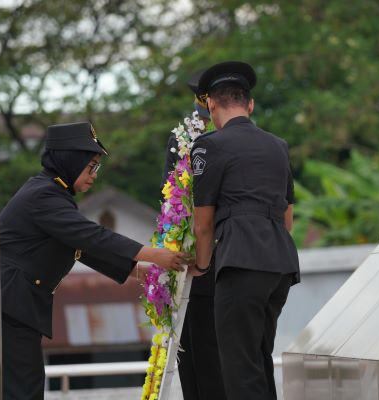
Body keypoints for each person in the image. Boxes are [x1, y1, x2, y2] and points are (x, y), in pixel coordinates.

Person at [0, 121, 187, 400]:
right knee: (23, 386)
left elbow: (82, 247)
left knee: (20, 384)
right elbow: (93, 237)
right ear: (70, 160)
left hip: (10, 297)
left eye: (96, 167)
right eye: (90, 165)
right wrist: (156, 255)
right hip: (8, 297)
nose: (94, 175)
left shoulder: (53, 193)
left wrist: (140, 271)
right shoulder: (44, 195)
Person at [189, 61, 300, 400]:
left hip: (241, 263)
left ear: (210, 104)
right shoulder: (278, 145)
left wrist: (203, 265)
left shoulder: (208, 146)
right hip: (280, 265)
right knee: (258, 360)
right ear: (249, 104)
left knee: (238, 369)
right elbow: (288, 217)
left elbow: (203, 223)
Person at [160, 71, 226, 400]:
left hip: (222, 258)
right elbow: (171, 202)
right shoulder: (182, 141)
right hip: (190, 259)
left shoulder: (229, 140)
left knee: (214, 357)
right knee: (190, 359)